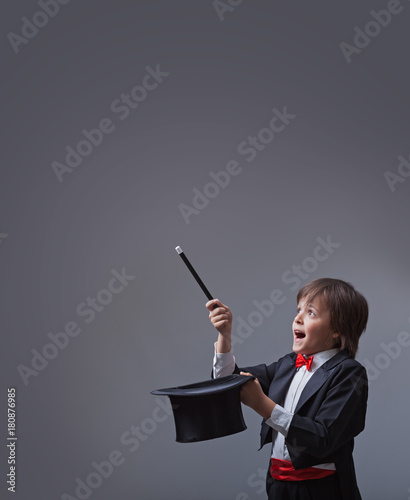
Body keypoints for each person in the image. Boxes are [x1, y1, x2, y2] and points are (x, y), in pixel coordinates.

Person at [206, 278, 368, 500]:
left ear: (337, 330)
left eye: (310, 313)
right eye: (298, 309)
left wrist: (263, 405)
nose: (297, 318)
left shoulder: (349, 374)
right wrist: (224, 336)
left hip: (323, 490)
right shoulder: (288, 364)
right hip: (278, 486)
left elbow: (322, 439)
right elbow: (227, 383)